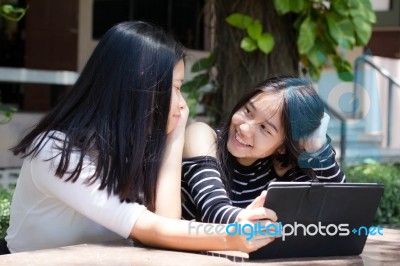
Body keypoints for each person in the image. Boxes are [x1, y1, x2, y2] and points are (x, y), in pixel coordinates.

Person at [4, 21, 277, 254]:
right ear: (140, 87)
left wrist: (174, 136)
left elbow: (166, 223)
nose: (183, 105)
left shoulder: (130, 149)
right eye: (177, 88)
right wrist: (232, 234)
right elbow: (149, 229)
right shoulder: (55, 151)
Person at [181, 76, 346, 224]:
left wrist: (317, 149)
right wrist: (253, 222)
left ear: (282, 147)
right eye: (248, 111)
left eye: (264, 128)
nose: (244, 128)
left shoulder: (282, 170)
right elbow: (213, 210)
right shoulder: (201, 137)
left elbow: (341, 213)